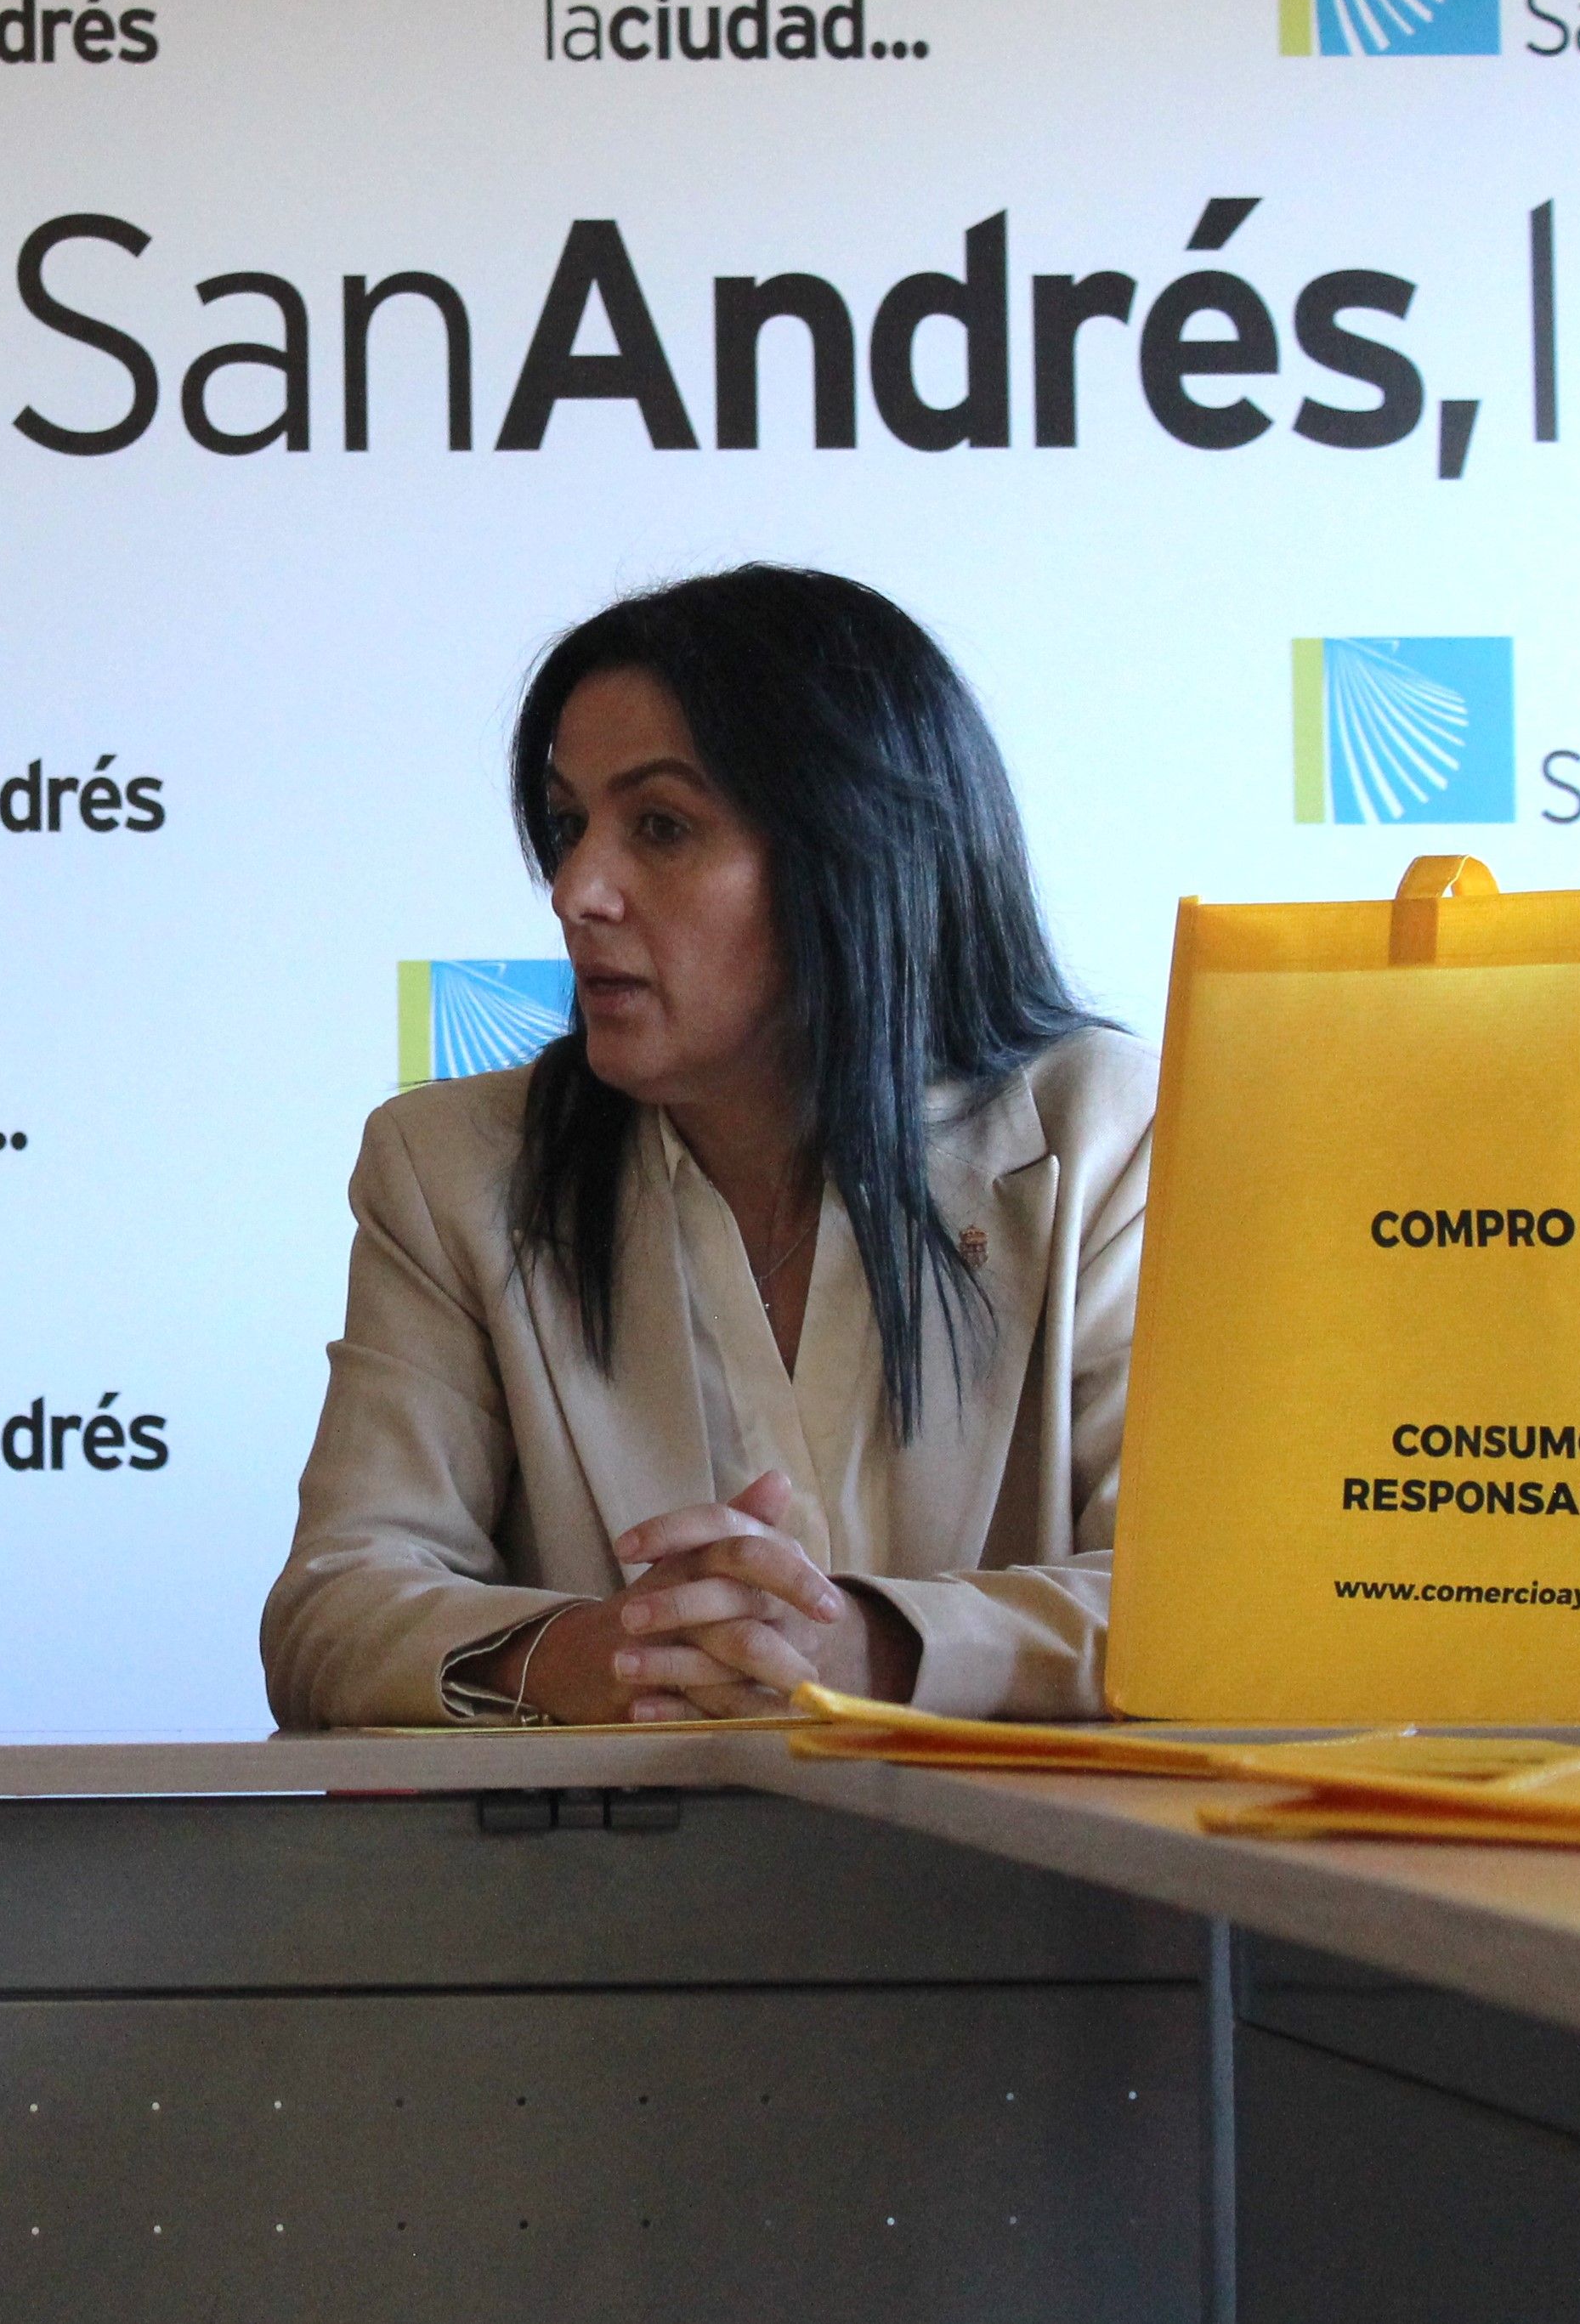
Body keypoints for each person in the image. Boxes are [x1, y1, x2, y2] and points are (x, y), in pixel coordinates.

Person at [263, 565, 1147, 1725]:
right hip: (606, 1900)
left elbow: (1218, 1602)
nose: (576, 890)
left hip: (1046, 1892)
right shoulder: (448, 1165)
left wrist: (871, 1646)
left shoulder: (1105, 1132)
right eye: (570, 825)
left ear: (855, 852)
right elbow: (333, 1605)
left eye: (662, 827)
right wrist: (599, 1654)